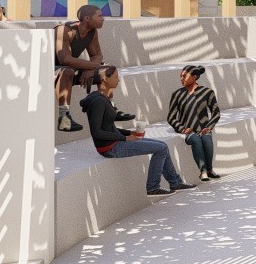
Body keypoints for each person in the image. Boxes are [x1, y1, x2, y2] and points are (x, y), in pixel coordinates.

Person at [80, 66, 191, 197]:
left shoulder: (102, 98)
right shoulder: (98, 101)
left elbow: (107, 126)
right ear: (105, 79)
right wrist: (125, 139)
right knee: (160, 149)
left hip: (115, 141)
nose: (119, 80)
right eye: (116, 77)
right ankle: (153, 187)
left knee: (163, 146)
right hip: (110, 147)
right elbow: (97, 132)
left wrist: (129, 133)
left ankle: (175, 183)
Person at [166, 64, 222, 181]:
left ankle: (210, 170)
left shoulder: (207, 92)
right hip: (187, 129)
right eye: (181, 76)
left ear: (195, 77)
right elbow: (171, 117)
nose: (181, 79)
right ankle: (203, 171)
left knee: (207, 138)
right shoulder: (177, 94)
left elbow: (216, 113)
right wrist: (182, 128)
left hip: (203, 128)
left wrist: (209, 127)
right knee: (195, 140)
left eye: (184, 76)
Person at [55, 4, 105, 132]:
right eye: (100, 16)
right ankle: (64, 118)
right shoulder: (64, 30)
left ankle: (109, 111)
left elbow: (97, 55)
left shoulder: (92, 32)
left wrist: (90, 69)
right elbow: (64, 59)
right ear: (87, 18)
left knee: (108, 72)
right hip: (49, 68)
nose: (103, 18)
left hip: (70, 68)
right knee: (67, 72)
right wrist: (94, 66)